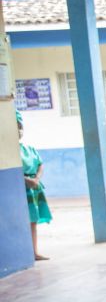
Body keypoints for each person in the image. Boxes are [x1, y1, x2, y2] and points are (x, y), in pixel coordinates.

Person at [17, 110, 51, 261]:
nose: (18, 130)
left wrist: (36, 179)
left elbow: (40, 164)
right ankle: (23, 252)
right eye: (15, 127)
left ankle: (34, 252)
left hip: (34, 188)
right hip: (21, 188)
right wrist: (26, 179)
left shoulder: (28, 149)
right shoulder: (9, 152)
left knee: (32, 221)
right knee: (21, 221)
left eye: (20, 127)